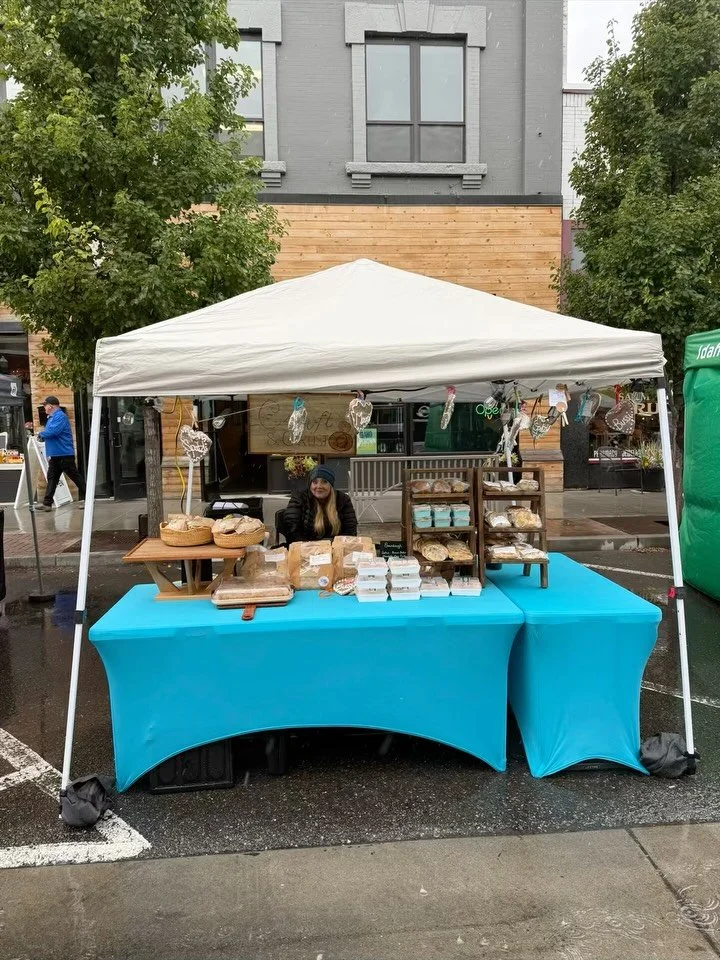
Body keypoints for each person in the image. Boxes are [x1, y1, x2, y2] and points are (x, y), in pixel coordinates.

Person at [30, 397, 86, 511]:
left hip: (64, 454)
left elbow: (53, 432)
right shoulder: (51, 418)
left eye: (45, 405)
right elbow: (50, 433)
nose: (44, 408)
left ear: (51, 406)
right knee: (52, 478)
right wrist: (43, 435)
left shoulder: (60, 416)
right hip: (56, 454)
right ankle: (47, 504)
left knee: (75, 477)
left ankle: (89, 499)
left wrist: (40, 434)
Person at [284, 465, 357, 543]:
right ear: (310, 485)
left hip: (334, 548)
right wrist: (312, 548)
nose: (319, 486)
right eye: (315, 482)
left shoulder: (343, 499)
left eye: (324, 482)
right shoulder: (299, 498)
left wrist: (334, 547)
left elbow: (350, 531)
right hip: (306, 547)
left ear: (331, 485)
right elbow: (292, 530)